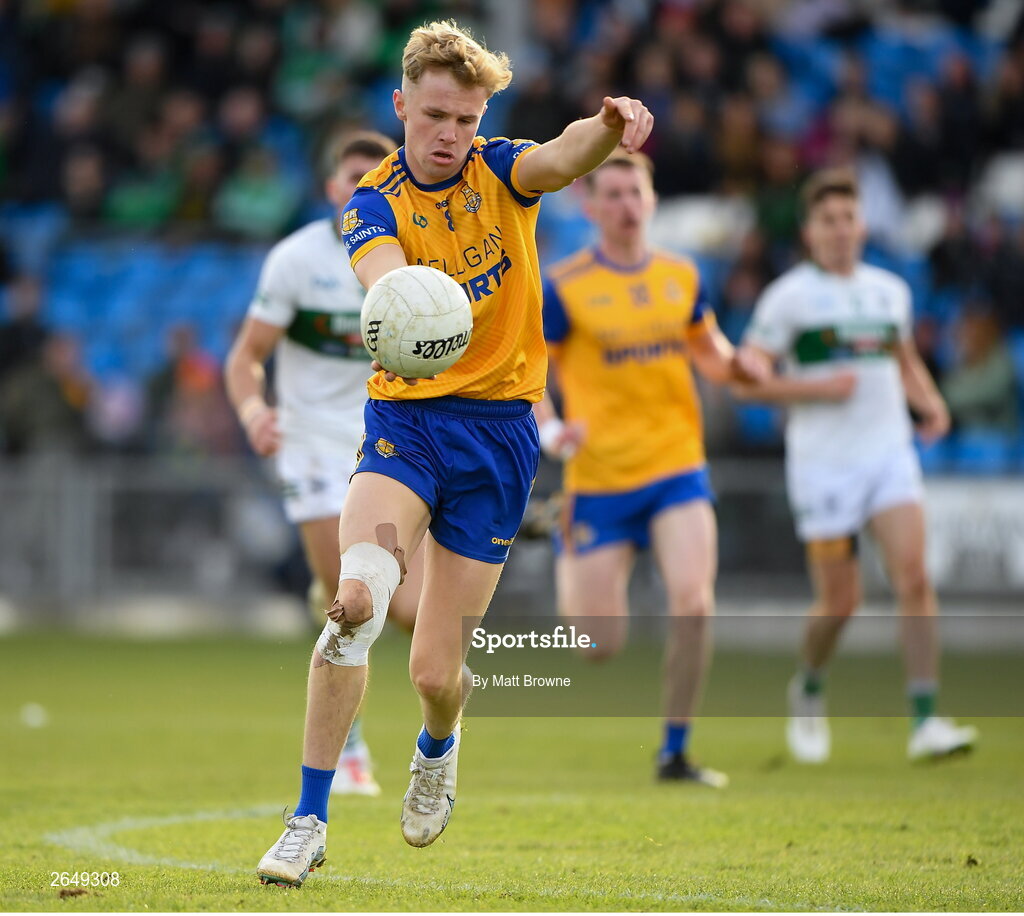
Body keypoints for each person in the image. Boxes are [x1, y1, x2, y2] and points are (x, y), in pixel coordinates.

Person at [254, 18, 652, 887]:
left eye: (465, 120)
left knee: (437, 670)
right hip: (407, 426)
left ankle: (439, 744)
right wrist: (402, 301)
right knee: (354, 601)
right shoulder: (371, 200)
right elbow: (382, 277)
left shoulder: (501, 169)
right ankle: (308, 818)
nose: (449, 136)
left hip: (501, 438)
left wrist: (611, 126)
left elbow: (561, 156)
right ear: (401, 105)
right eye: (435, 116)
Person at [534, 149, 769, 789]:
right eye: (610, 195)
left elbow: (709, 351)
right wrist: (553, 429)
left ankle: (675, 751)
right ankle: (565, 541)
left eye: (634, 192)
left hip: (675, 465)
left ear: (652, 200)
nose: (625, 205)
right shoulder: (566, 284)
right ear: (589, 208)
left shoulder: (682, 275)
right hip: (601, 479)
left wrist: (739, 367)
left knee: (694, 603)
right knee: (597, 645)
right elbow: (534, 373)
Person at [734, 167, 978, 764]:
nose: (840, 230)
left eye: (849, 218)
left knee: (915, 579)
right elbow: (748, 379)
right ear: (810, 231)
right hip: (824, 467)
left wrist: (931, 404)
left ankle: (925, 720)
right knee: (841, 601)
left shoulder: (888, 291)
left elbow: (903, 359)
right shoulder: (789, 298)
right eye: (827, 220)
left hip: (888, 455)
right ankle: (809, 685)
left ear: (863, 224)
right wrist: (811, 390)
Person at [225, 130, 421, 797]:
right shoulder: (296, 261)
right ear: (332, 187)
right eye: (350, 176)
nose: (360, 186)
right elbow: (245, 357)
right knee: (353, 599)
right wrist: (255, 412)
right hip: (310, 443)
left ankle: (432, 741)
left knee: (411, 611)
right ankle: (353, 751)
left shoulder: (411, 258)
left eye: (374, 176)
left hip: (386, 437)